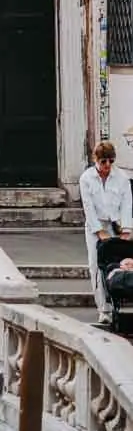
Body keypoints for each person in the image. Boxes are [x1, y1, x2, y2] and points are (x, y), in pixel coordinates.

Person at [80, 140, 133, 327]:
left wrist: (127, 229)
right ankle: (103, 309)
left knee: (116, 261)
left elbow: (127, 204)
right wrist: (98, 231)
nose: (107, 166)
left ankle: (117, 300)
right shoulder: (86, 178)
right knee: (95, 264)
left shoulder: (122, 178)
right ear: (96, 160)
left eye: (111, 161)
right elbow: (88, 206)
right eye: (103, 162)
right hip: (95, 225)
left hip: (116, 223)